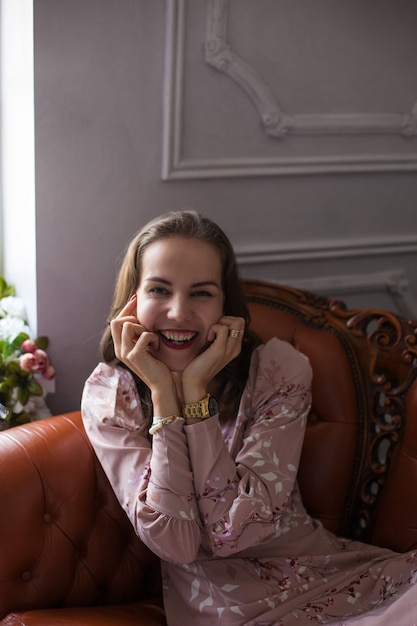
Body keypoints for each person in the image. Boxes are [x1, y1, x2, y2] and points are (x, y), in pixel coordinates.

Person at [81, 209, 417, 626]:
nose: (179, 312)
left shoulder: (279, 370)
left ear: (226, 304)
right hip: (231, 613)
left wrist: (196, 395)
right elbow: (177, 542)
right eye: (159, 290)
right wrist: (165, 396)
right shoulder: (111, 394)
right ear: (133, 300)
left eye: (202, 293)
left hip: (333, 580)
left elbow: (235, 528)